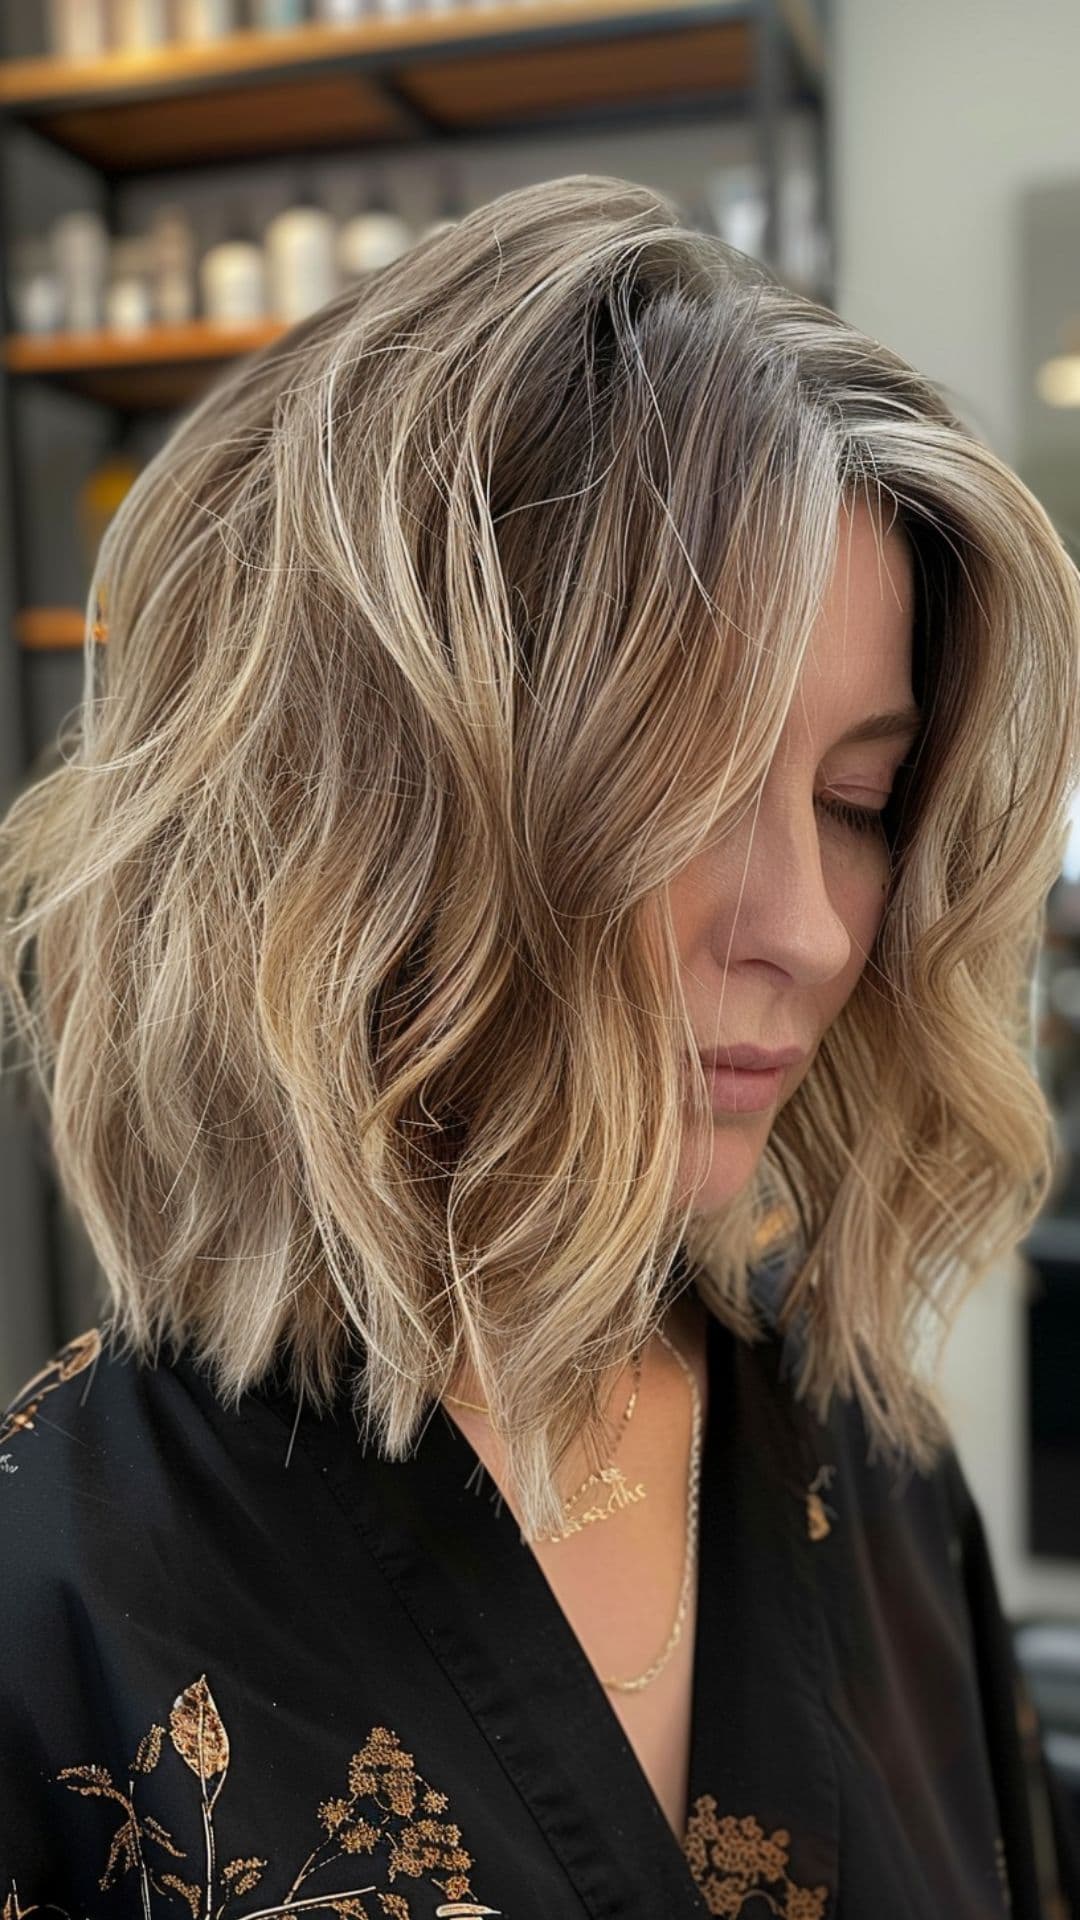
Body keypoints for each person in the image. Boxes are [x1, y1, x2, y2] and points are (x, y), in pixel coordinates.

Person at [0, 173, 1078, 1920]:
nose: (806, 926)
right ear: (365, 815)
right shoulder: (56, 1585)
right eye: (685, 793)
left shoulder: (868, 1459)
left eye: (857, 802)